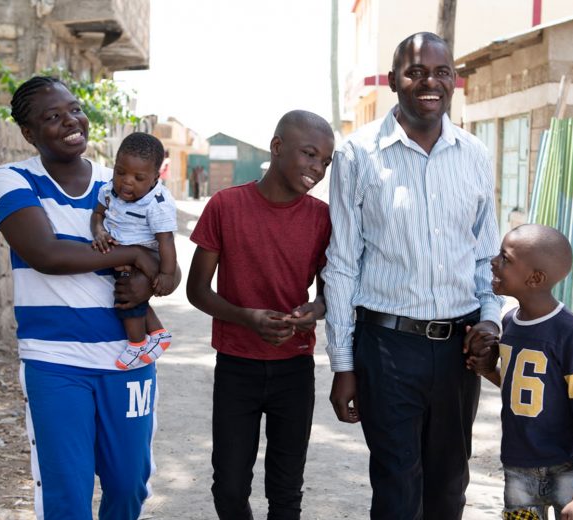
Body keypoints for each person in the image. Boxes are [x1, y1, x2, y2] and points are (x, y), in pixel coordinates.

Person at [322, 32, 503, 519]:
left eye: (441, 72)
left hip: (458, 349)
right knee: (397, 486)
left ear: (454, 80)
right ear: (392, 81)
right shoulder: (357, 154)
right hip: (386, 347)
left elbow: (486, 256)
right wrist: (343, 364)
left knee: (448, 488)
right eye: (416, 71)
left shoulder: (475, 155)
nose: (430, 82)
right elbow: (340, 264)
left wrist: (491, 322)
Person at [0, 76, 176, 520]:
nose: (71, 121)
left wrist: (150, 278)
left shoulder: (128, 180)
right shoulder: (13, 179)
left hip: (126, 360)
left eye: (74, 109)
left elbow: (166, 267)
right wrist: (132, 254)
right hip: (56, 362)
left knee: (129, 486)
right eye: (52, 117)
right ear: (29, 134)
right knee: (67, 494)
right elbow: (45, 254)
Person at [186, 110, 334, 519]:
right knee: (230, 487)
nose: (317, 169)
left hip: (294, 369)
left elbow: (328, 296)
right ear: (277, 146)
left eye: (325, 161)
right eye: (308, 155)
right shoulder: (225, 205)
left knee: (286, 492)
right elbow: (197, 290)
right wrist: (247, 317)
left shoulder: (322, 218)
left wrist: (312, 312)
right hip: (237, 367)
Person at [467, 224, 573, 520]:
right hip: (518, 466)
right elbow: (527, 387)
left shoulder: (571, 333)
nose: (494, 262)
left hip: (566, 468)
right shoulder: (510, 323)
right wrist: (488, 369)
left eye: (505, 259)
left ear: (535, 278)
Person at [91, 132, 178, 369]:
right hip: (123, 255)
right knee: (132, 297)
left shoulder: (156, 204)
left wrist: (167, 274)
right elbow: (97, 214)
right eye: (120, 172)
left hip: (147, 258)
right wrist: (99, 232)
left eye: (138, 177)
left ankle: (137, 343)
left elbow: (166, 241)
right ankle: (158, 333)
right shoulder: (109, 191)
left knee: (127, 300)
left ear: (154, 178)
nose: (127, 182)